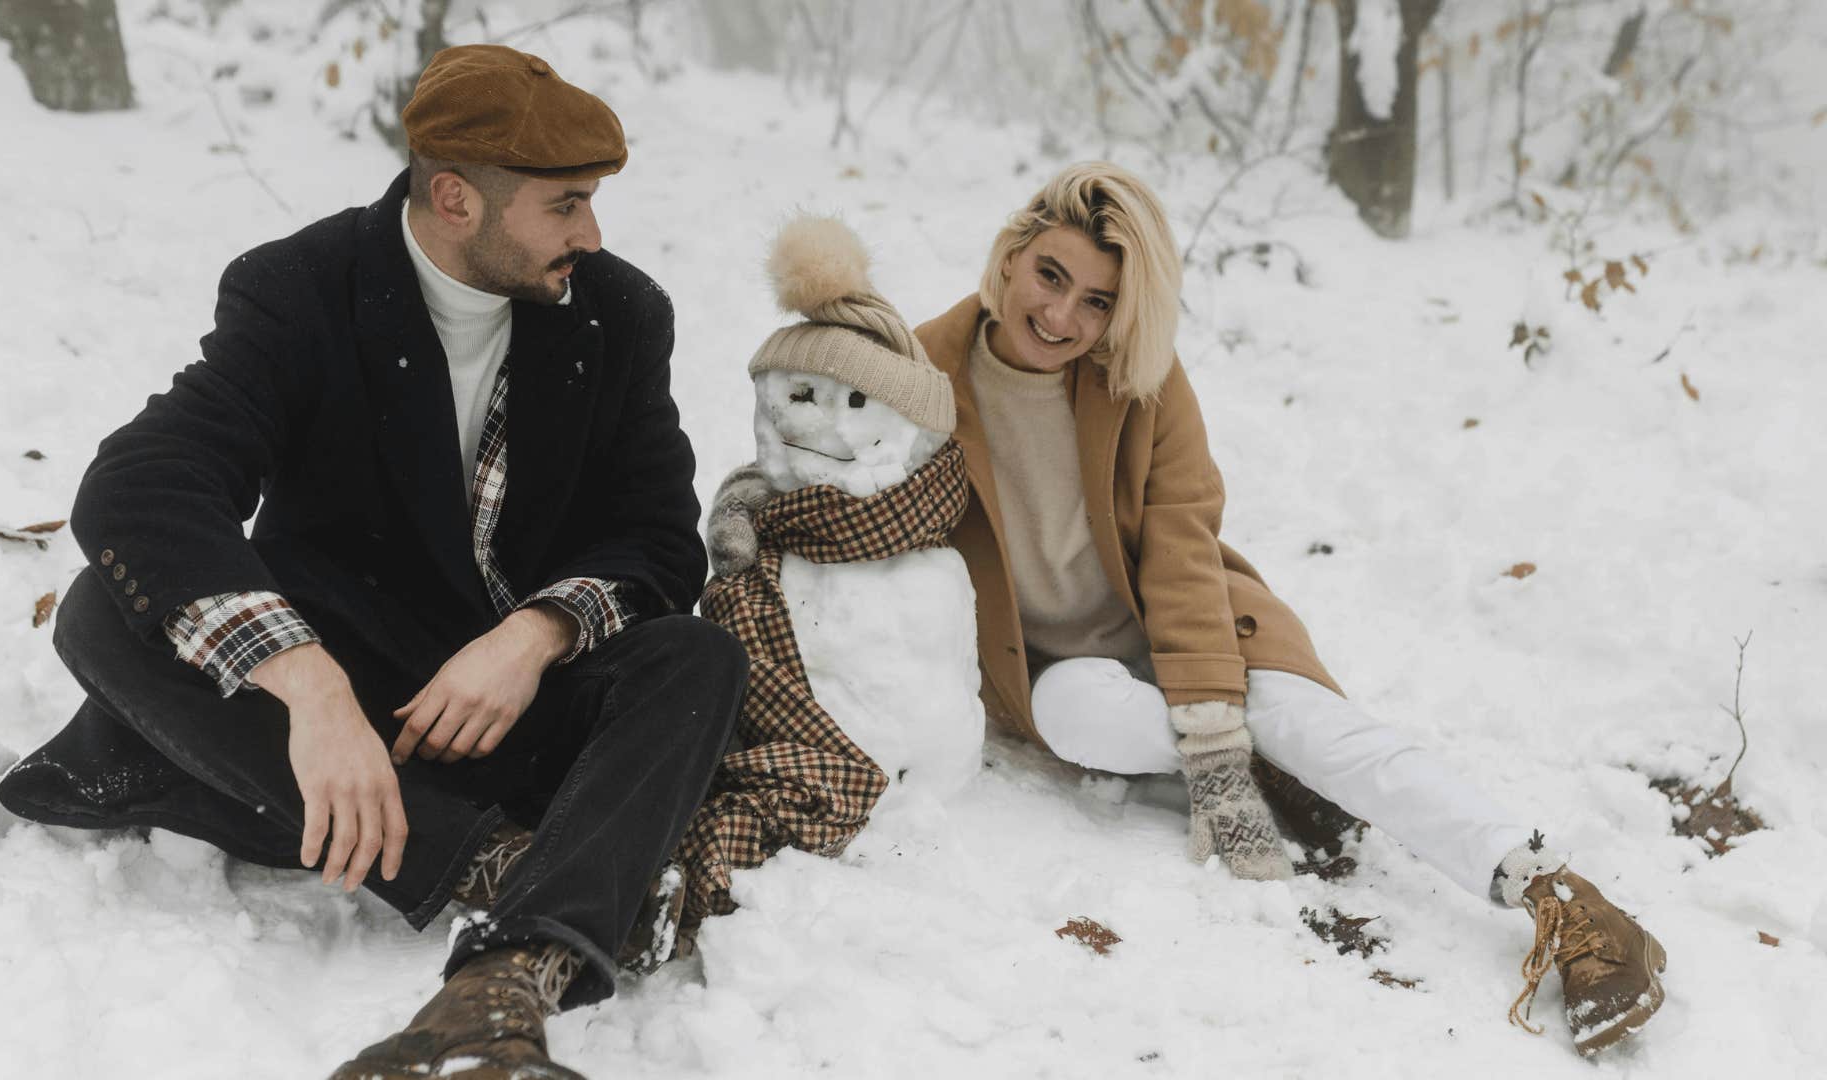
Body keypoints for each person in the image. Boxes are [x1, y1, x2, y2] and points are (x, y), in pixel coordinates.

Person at [712, 162, 1666, 1058]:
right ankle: (1275, 766)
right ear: (1010, 257)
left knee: (1312, 724)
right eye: (1050, 276)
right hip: (1054, 669)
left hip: (1195, 622)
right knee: (1079, 717)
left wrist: (1215, 735)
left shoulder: (1141, 382)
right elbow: (821, 455)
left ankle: (1556, 891)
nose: (1061, 315)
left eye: (1097, 301)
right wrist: (750, 513)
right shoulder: (916, 377)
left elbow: (1181, 548)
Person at [0, 44, 746, 1080]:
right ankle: (494, 864)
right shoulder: (301, 289)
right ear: (455, 198)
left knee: (695, 659)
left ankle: (501, 988)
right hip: (341, 691)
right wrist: (310, 689)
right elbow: (142, 484)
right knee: (98, 607)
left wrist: (535, 635)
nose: (592, 234)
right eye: (565, 206)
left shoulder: (618, 315)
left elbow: (661, 534)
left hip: (516, 708)